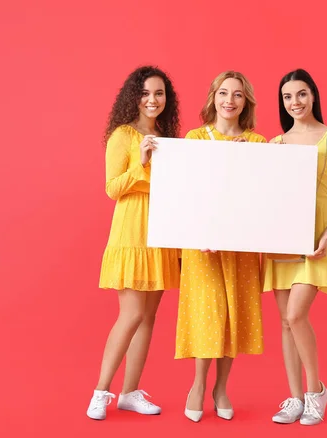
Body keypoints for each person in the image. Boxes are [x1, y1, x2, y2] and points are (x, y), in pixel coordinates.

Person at [86, 66, 181, 420]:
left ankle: (129, 392)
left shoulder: (170, 139)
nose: (152, 100)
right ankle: (101, 391)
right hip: (131, 232)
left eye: (159, 93)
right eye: (145, 93)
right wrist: (141, 163)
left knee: (149, 318)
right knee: (131, 315)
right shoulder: (122, 136)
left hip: (162, 233)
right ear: (134, 97)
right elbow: (112, 188)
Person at [262, 69, 327, 426]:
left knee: (296, 314)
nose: (295, 103)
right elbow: (264, 194)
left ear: (313, 95)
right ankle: (294, 397)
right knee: (285, 323)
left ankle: (316, 392)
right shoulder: (276, 144)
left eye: (301, 94)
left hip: (316, 237)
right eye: (287, 97)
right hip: (283, 237)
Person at [175, 71, 266, 422]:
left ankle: (222, 387)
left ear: (246, 102)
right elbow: (188, 192)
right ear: (213, 97)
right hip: (203, 246)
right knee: (208, 313)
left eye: (238, 95)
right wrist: (199, 234)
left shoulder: (258, 144)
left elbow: (262, 197)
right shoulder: (194, 138)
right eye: (224, 93)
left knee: (233, 316)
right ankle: (198, 385)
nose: (230, 100)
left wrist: (254, 161)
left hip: (240, 247)